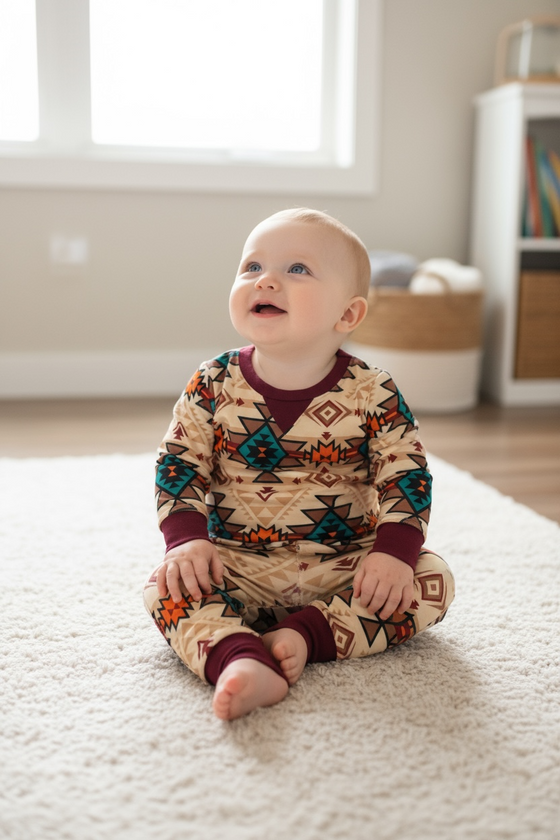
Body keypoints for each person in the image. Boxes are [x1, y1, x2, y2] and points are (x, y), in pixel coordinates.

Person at [143, 208, 455, 720]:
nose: (265, 279)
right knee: (165, 586)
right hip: (237, 566)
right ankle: (238, 659)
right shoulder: (213, 381)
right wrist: (187, 540)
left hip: (343, 567)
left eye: (297, 269)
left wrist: (393, 553)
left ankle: (309, 634)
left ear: (348, 315)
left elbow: (407, 472)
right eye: (252, 267)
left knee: (430, 578)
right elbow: (178, 463)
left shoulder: (373, 391)